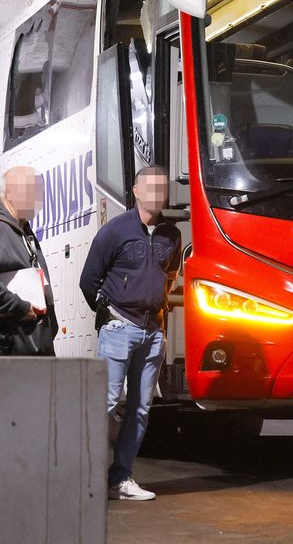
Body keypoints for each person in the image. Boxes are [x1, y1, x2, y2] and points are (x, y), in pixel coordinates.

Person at [79, 165, 181, 501]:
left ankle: (119, 479)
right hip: (120, 328)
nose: (156, 193)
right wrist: (109, 316)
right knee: (105, 404)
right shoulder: (115, 231)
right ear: (136, 191)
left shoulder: (172, 234)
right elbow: (89, 279)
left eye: (161, 188)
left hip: (153, 332)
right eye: (149, 187)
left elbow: (170, 275)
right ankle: (87, 477)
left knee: (140, 409)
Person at [0, 166, 57, 356]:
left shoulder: (24, 230)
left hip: (35, 343)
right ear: (9, 193)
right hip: (13, 346)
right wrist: (20, 307)